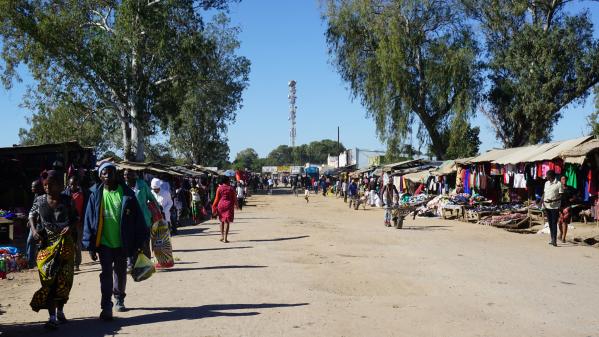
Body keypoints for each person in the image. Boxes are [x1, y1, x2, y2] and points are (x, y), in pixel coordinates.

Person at [83, 162, 149, 320]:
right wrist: (90, 245)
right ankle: (106, 306)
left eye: (111, 172)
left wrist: (141, 242)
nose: (108, 175)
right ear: (100, 176)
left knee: (120, 272)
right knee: (106, 274)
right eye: (104, 173)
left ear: (116, 174)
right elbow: (88, 219)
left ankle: (119, 298)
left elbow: (138, 220)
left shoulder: (127, 194)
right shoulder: (95, 194)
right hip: (104, 243)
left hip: (122, 243)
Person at [29, 170, 77, 329]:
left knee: (64, 280)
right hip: (46, 245)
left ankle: (60, 310)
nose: (48, 187)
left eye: (51, 184)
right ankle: (51, 317)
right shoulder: (40, 200)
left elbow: (76, 218)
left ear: (60, 185)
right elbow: (31, 215)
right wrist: (35, 231)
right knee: (48, 280)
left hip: (66, 245)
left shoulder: (68, 200)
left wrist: (70, 227)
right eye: (45, 185)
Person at [124, 168, 157, 258]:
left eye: (128, 174)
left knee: (145, 243)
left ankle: (147, 265)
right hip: (130, 220)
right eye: (125, 175)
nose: (126, 177)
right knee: (133, 244)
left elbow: (151, 198)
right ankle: (135, 264)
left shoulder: (142, 184)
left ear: (135, 175)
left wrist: (157, 212)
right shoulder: (124, 187)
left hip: (144, 219)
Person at [63, 175, 88, 271]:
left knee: (77, 244)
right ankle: (69, 263)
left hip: (80, 223)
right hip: (68, 223)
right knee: (69, 244)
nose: (72, 186)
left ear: (78, 184)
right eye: (71, 184)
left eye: (74, 184)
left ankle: (77, 264)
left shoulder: (85, 193)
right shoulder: (64, 194)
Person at [212, 176, 238, 243]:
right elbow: (234, 198)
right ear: (227, 181)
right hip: (228, 206)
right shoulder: (231, 188)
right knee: (227, 222)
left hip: (221, 205)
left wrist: (214, 206)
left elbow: (216, 199)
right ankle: (225, 239)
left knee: (221, 221)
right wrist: (236, 205)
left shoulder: (219, 188)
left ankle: (222, 236)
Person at [26, 180, 45, 269]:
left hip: (42, 223)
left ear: (39, 187)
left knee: (41, 242)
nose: (32, 188)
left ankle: (38, 261)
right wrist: (30, 220)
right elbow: (33, 210)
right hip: (34, 222)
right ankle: (30, 262)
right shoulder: (36, 195)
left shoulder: (44, 196)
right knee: (30, 241)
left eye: (33, 187)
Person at [542, 170, 563, 247]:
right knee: (550, 223)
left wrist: (553, 200)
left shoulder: (558, 184)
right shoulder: (546, 183)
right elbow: (544, 193)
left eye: (547, 175)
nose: (546, 177)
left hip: (555, 206)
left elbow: (561, 196)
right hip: (547, 206)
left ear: (551, 176)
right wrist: (542, 202)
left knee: (554, 223)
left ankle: (554, 240)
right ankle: (552, 238)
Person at [558, 175, 578, 243]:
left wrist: (572, 199)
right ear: (560, 180)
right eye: (563, 179)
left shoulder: (570, 188)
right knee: (559, 222)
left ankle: (563, 237)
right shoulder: (558, 188)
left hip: (567, 207)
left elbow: (576, 195)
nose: (564, 180)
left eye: (565, 179)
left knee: (565, 222)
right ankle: (561, 232)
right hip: (559, 207)